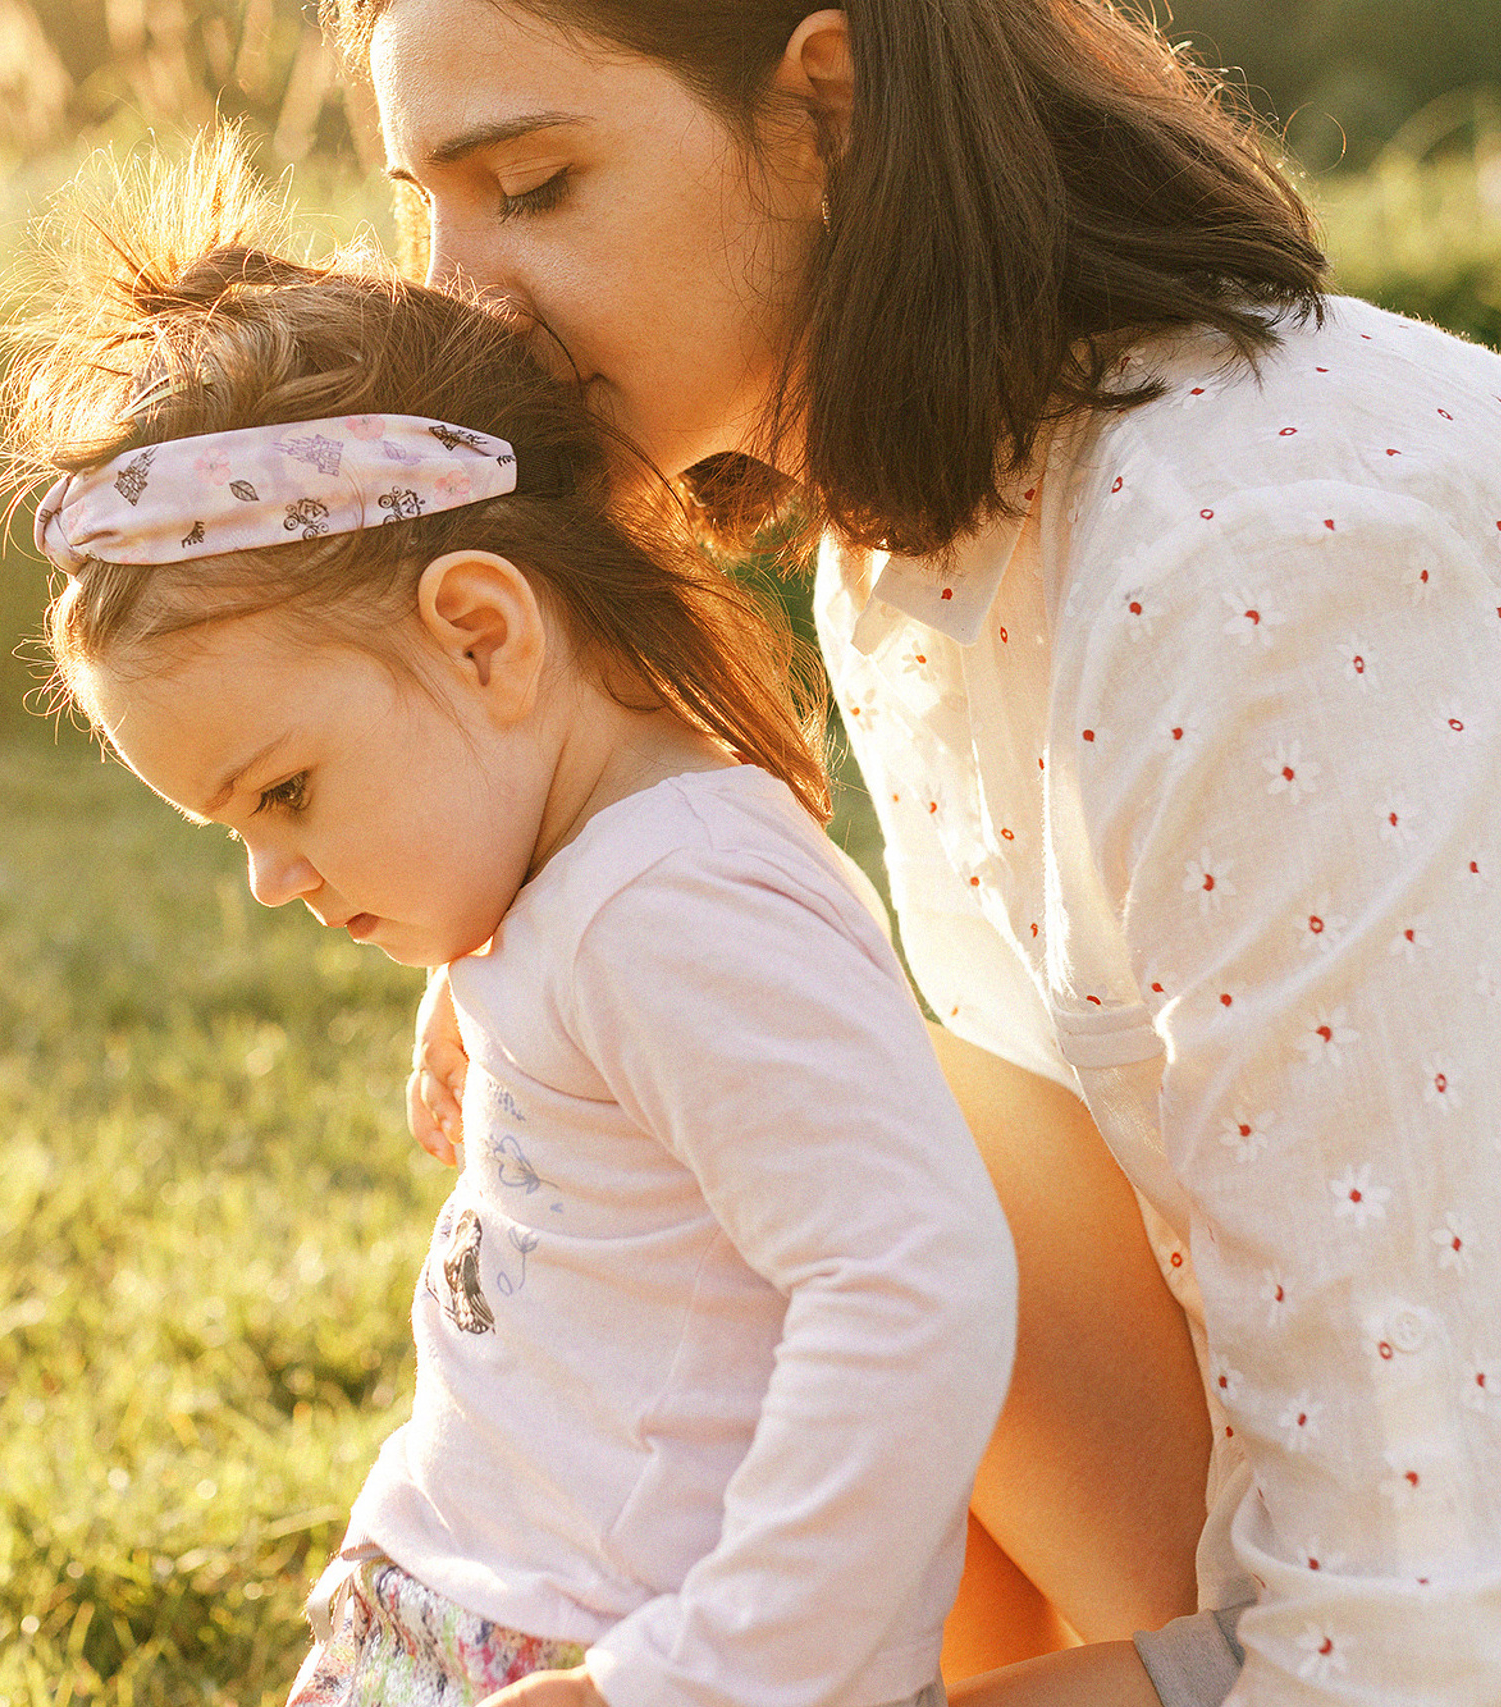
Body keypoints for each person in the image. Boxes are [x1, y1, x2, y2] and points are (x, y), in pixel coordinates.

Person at [335, 0, 1501, 1700]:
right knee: (783, 1093)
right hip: (1331, 1555)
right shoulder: (909, 563)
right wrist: (583, 926)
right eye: (421, 202)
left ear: (827, 108)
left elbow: (1421, 1625)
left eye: (532, 183)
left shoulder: (1256, 563)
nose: (461, 293)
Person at [0, 141, 1030, 1707]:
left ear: (481, 636)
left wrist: (698, 1678)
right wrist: (483, 963)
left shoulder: (678, 912)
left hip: (609, 1656)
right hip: (478, 1616)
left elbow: (910, 1284)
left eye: (285, 793)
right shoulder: (591, 886)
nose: (272, 880)